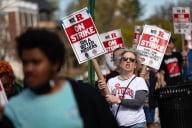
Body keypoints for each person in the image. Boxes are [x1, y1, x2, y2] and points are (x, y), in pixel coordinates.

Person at [0, 28, 119, 128]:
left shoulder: (86, 96)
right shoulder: (14, 109)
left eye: (36, 62)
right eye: (25, 63)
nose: (29, 69)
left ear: (55, 63)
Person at [98, 48, 148, 128]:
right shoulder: (111, 81)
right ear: (120, 63)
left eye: (132, 60)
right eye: (125, 59)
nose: (128, 61)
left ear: (135, 65)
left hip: (136, 124)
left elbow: (138, 102)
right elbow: (107, 103)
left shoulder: (139, 81)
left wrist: (118, 100)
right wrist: (102, 92)